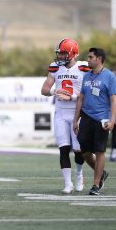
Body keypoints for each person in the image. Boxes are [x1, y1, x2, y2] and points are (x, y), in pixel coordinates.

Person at [41, 38, 90, 194]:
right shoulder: (55, 68)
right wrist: (55, 91)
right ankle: (67, 184)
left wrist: (73, 97)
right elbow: (44, 89)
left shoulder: (83, 68)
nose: (60, 56)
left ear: (72, 53)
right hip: (61, 113)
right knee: (63, 148)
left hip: (77, 113)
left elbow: (89, 93)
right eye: (59, 53)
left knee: (78, 149)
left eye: (63, 53)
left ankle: (79, 174)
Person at [73, 47, 116, 195]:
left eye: (90, 57)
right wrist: (75, 120)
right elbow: (81, 98)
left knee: (100, 151)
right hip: (86, 117)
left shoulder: (110, 76)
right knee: (84, 151)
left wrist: (112, 121)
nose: (88, 60)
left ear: (98, 59)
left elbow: (114, 100)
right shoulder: (86, 76)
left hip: (102, 119)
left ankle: (96, 184)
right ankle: (102, 173)